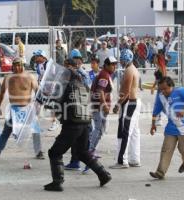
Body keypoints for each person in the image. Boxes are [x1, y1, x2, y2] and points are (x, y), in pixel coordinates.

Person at [44, 61, 112, 192]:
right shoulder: (83, 86)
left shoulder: (65, 86)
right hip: (85, 124)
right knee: (83, 152)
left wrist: (46, 99)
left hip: (72, 125)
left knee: (54, 152)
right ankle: (104, 174)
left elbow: (54, 105)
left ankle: (57, 182)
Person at [0, 58, 44, 161]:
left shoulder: (30, 77)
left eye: (18, 65)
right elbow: (2, 93)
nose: (16, 67)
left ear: (22, 65)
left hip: (28, 109)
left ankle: (39, 152)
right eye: (15, 65)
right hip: (14, 110)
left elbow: (38, 92)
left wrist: (40, 104)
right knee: (6, 132)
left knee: (35, 130)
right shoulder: (8, 78)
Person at [150, 76, 184, 179]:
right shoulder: (161, 96)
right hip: (171, 126)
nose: (163, 91)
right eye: (161, 89)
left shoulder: (181, 91)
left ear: (171, 86)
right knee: (166, 149)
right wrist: (153, 124)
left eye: (165, 89)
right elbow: (155, 111)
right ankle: (160, 172)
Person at [110, 49, 142, 169]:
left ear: (126, 59)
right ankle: (135, 159)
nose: (121, 63)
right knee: (134, 132)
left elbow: (126, 91)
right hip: (135, 102)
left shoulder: (129, 70)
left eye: (122, 60)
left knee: (125, 131)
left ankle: (122, 160)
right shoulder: (134, 69)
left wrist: (118, 104)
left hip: (130, 103)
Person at [34, 49, 59, 132]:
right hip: (42, 88)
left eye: (37, 56)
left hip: (51, 89)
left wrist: (50, 90)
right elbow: (40, 77)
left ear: (42, 57)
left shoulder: (50, 65)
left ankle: (54, 123)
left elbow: (54, 77)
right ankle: (34, 124)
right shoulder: (38, 65)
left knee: (52, 106)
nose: (35, 58)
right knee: (37, 104)